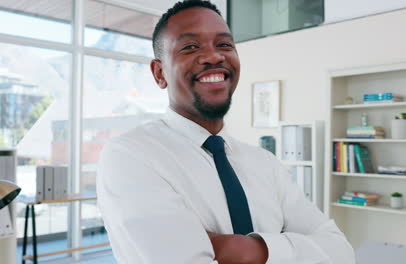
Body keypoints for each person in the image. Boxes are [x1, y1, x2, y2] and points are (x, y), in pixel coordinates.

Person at [97, 0, 355, 263]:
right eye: (190, 47)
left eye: (224, 45)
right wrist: (293, 249)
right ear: (159, 72)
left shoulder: (264, 163)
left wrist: (252, 250)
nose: (214, 56)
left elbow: (341, 253)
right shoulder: (131, 156)